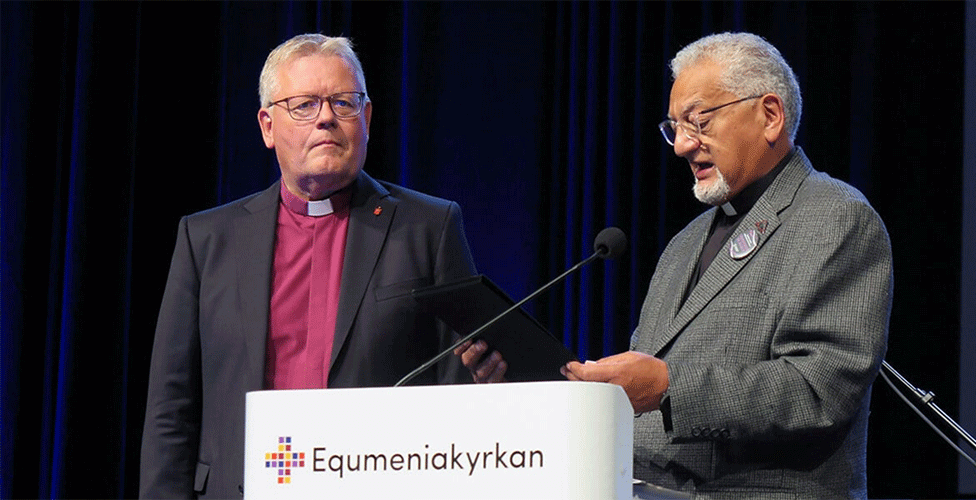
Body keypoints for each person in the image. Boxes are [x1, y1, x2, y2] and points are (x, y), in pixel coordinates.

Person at [459, 32, 892, 498]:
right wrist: (531, 384)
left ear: (770, 115)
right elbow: (637, 402)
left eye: (699, 122)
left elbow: (820, 389)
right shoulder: (685, 244)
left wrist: (669, 389)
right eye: (674, 127)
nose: (681, 145)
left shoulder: (835, 217)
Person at [140, 34, 477, 499]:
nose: (326, 118)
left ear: (367, 119)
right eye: (304, 105)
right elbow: (171, 410)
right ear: (267, 126)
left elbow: (461, 396)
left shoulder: (428, 229)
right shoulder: (206, 240)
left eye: (343, 103)